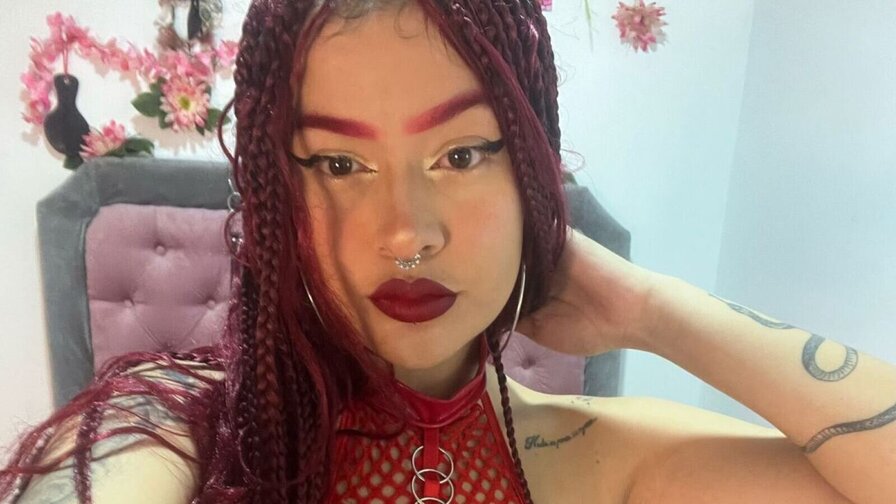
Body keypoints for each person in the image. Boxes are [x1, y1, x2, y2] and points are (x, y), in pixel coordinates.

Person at [2, 0, 894, 502]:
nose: (407, 234)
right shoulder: (180, 427)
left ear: (531, 175)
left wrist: (651, 311)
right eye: (340, 163)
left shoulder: (612, 460)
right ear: (280, 197)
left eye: (462, 155)